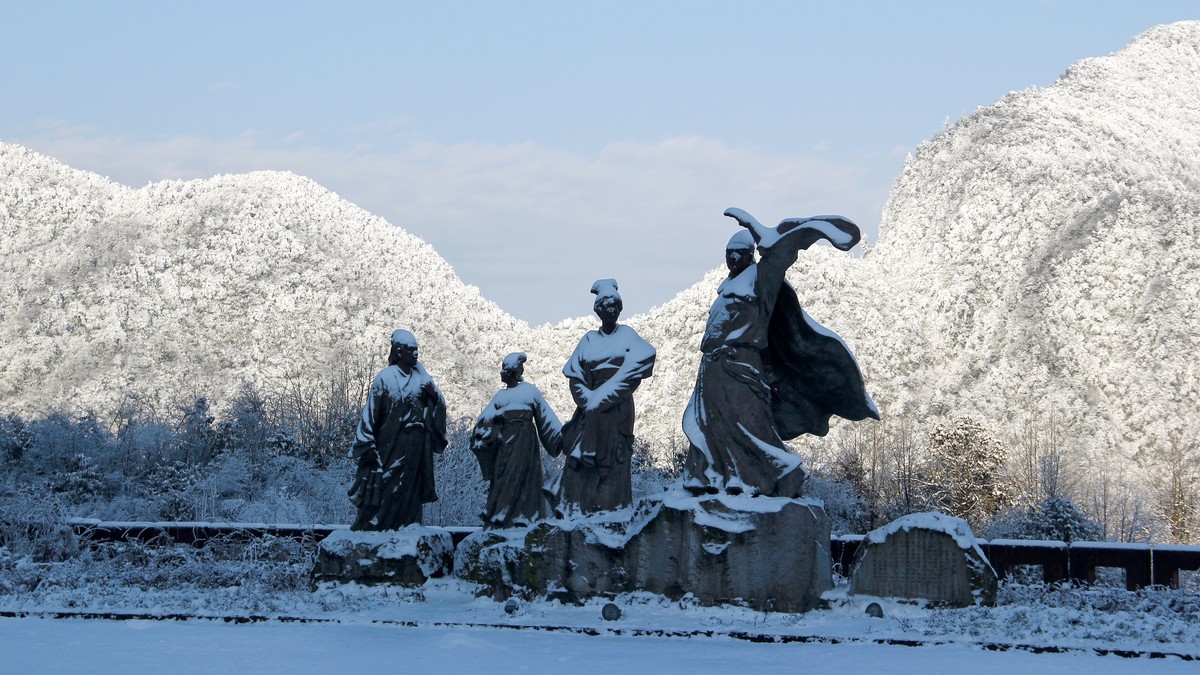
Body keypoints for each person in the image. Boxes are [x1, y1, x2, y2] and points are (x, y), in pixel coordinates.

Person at [681, 208, 879, 498]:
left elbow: (778, 257)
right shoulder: (724, 291)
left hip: (741, 365)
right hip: (712, 367)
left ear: (750, 255)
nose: (733, 258)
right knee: (708, 423)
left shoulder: (761, 282)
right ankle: (714, 477)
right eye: (729, 253)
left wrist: (757, 228)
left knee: (748, 425)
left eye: (739, 252)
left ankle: (783, 472)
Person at [555, 279, 656, 514]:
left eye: (614, 306)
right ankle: (583, 511)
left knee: (615, 461)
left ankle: (613, 511)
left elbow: (644, 359)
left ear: (620, 309)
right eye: (605, 305)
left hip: (618, 411)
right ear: (598, 310)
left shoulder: (628, 336)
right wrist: (588, 401)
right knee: (581, 470)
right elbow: (576, 378)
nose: (610, 310)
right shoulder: (588, 340)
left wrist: (604, 398)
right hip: (588, 414)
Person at [348, 329, 448, 530]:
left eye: (417, 350)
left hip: (417, 444)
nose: (416, 354)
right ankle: (379, 524)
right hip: (391, 443)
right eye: (411, 350)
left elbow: (439, 405)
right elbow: (371, 414)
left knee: (410, 486)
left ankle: (409, 524)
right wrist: (367, 444)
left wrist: (434, 397)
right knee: (386, 484)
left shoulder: (422, 378)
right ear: (399, 352)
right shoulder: (385, 378)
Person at [470, 353, 564, 528]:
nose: (500, 373)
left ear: (511, 372)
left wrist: (562, 437)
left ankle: (525, 518)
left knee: (526, 480)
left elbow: (546, 419)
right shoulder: (499, 397)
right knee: (502, 481)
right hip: (504, 447)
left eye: (503, 369)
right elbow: (484, 421)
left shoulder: (530, 392)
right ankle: (500, 517)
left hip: (525, 446)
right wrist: (495, 420)